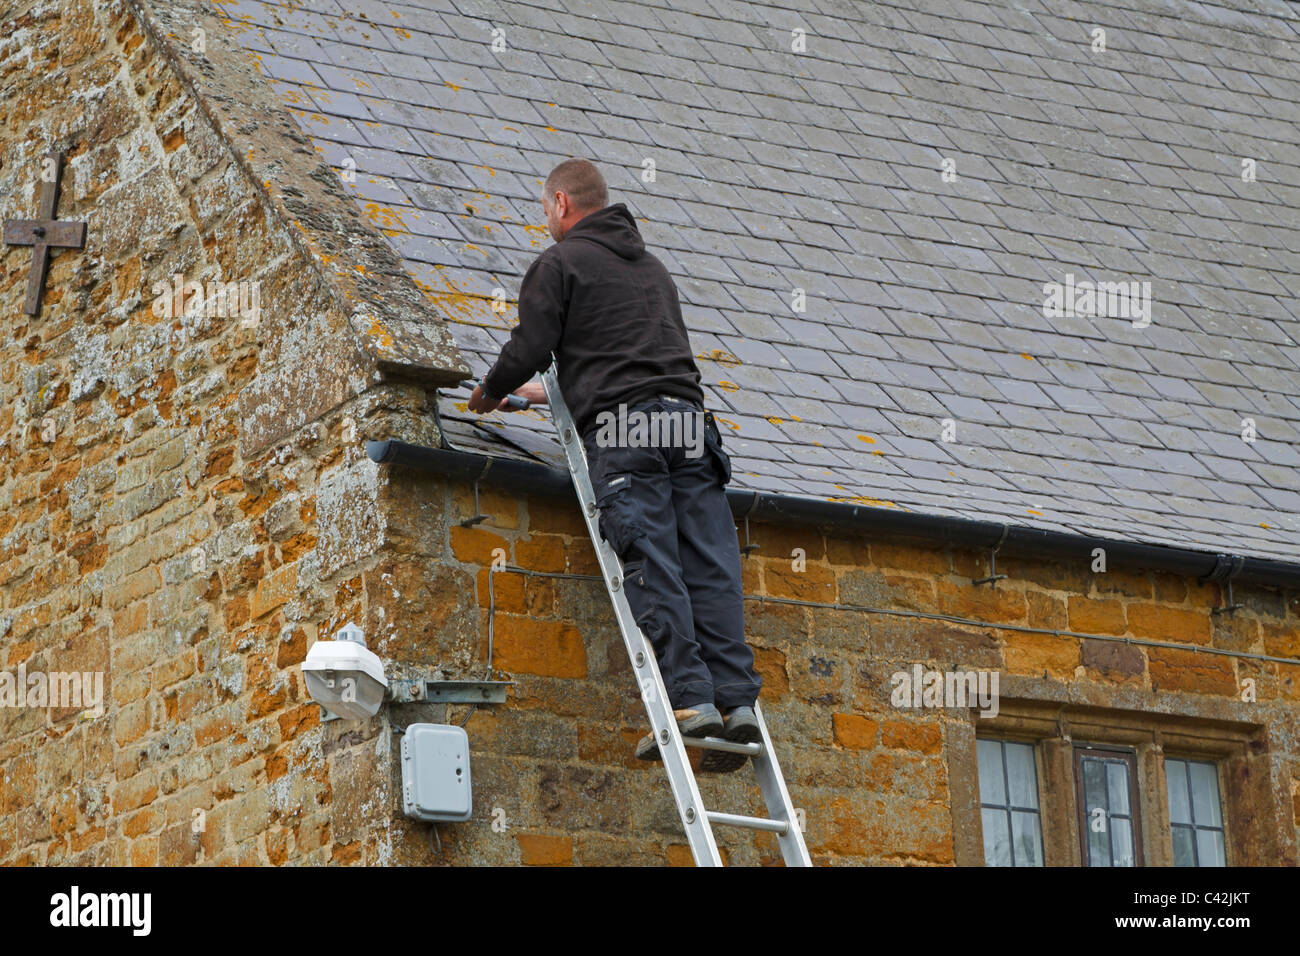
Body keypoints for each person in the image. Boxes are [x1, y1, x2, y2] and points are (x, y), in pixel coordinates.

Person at [467, 158, 761, 772]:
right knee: (709, 565)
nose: (546, 219)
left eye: (545, 209)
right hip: (686, 427)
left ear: (561, 205)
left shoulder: (560, 264)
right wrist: (537, 396)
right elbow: (628, 365)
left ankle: (689, 703)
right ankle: (736, 705)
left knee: (652, 560)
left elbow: (532, 345)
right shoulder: (652, 271)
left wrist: (493, 389)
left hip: (628, 432)